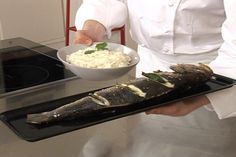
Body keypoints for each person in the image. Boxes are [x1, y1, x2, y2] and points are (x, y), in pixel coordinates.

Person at [74, 0, 236, 156]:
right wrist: (95, 23)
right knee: (148, 146)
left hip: (215, 78)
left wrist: (198, 98)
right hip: (149, 72)